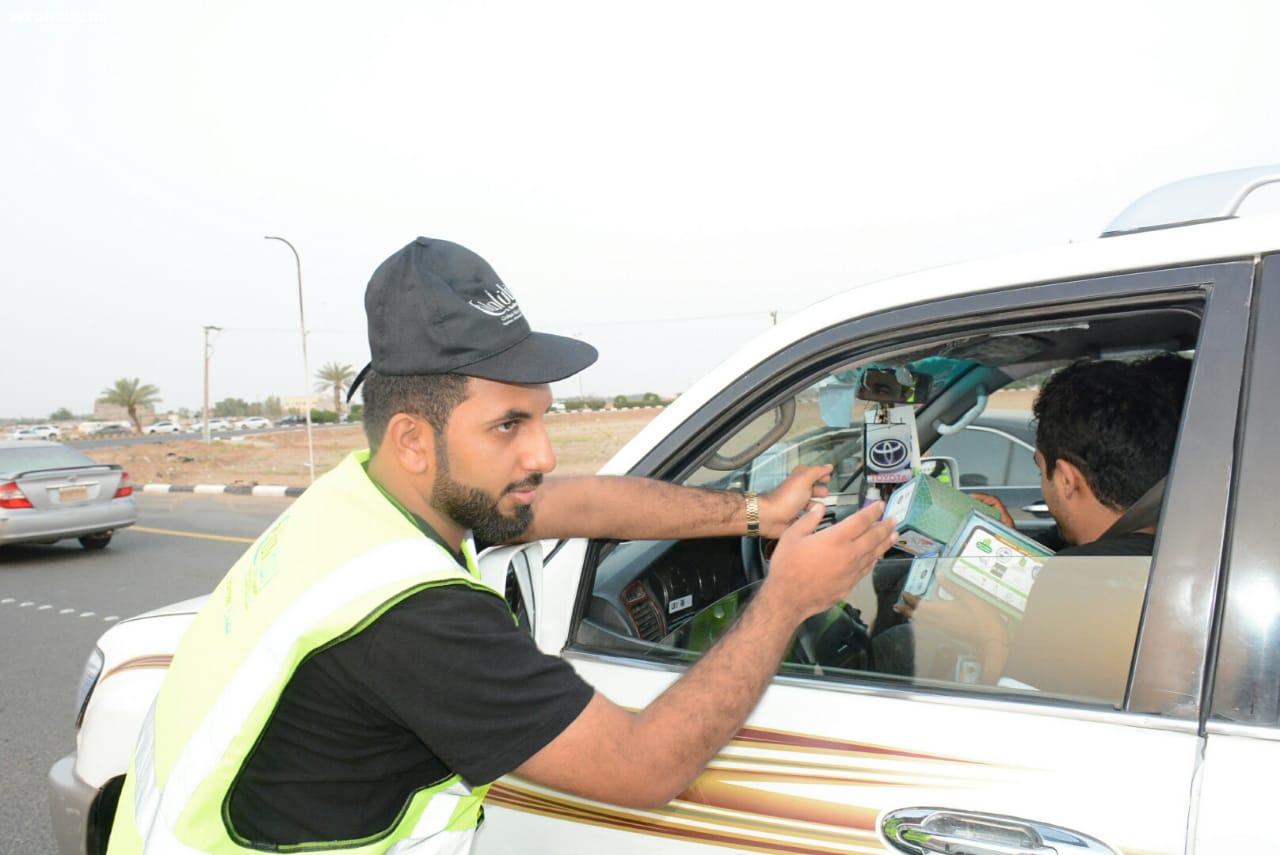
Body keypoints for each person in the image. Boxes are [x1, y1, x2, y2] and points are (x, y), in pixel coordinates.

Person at [107, 237, 897, 855]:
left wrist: (758, 512)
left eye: (542, 416)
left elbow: (580, 502)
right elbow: (643, 765)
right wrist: (787, 598)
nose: (543, 452)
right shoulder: (415, 618)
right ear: (413, 438)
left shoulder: (364, 498)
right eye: (509, 425)